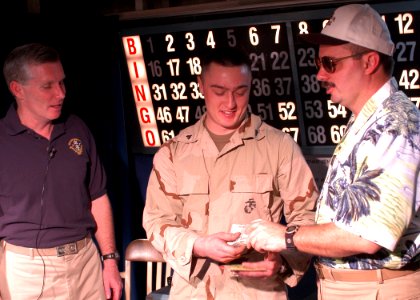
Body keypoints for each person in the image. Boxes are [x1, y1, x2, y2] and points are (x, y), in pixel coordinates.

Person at [246, 4, 420, 299]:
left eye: (330, 63)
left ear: (369, 62)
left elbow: (366, 235)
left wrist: (285, 237)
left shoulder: (395, 125)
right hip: (351, 287)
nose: (320, 75)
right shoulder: (367, 120)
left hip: (376, 289)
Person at [142, 46, 319, 299]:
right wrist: (198, 245)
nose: (230, 103)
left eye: (241, 91)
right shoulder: (173, 153)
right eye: (219, 91)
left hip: (257, 293)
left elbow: (308, 218)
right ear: (201, 85)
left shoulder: (279, 147)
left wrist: (282, 260)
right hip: (192, 293)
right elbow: (157, 222)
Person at [0, 43, 123, 299]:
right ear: (17, 89)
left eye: (62, 83)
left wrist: (109, 259)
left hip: (86, 262)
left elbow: (98, 197)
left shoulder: (76, 128)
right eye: (48, 86)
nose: (61, 94)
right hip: (27, 270)